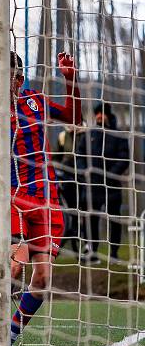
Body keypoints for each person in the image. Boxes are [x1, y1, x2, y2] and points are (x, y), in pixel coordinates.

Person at [0, 51, 82, 346]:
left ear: (18, 78)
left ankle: (11, 335)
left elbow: (73, 119)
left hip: (45, 199)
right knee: (14, 265)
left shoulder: (36, 101)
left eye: (8, 78)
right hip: (12, 200)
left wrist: (70, 80)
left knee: (42, 278)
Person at [75, 103, 130, 263]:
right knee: (90, 219)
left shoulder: (118, 135)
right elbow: (79, 154)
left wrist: (110, 175)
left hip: (111, 185)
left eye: (102, 113)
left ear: (108, 115)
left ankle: (114, 253)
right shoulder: (89, 133)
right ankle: (92, 252)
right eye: (97, 113)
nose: (99, 116)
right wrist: (84, 171)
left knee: (114, 219)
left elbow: (124, 158)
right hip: (92, 185)